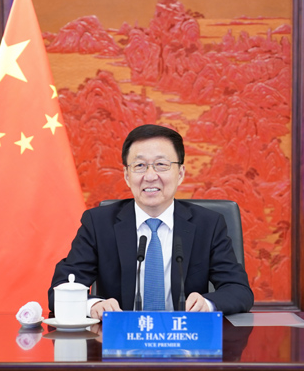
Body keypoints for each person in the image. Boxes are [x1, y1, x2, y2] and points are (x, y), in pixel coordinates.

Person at [48, 124, 254, 319]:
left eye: (161, 165)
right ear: (127, 175)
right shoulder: (98, 224)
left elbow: (238, 290)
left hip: (185, 337)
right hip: (118, 339)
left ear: (180, 173)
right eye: (139, 166)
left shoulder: (208, 225)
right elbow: (60, 289)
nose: (150, 176)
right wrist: (93, 306)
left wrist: (207, 305)